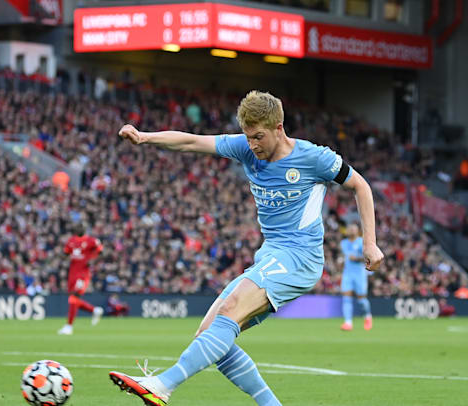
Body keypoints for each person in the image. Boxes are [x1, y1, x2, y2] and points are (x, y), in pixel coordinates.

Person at [108, 90, 384, 406]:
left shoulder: (314, 158)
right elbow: (192, 142)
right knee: (209, 333)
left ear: (279, 128)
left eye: (258, 137)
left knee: (229, 311)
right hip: (271, 255)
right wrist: (145, 137)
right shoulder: (245, 148)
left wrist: (370, 243)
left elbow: (360, 185)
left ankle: (163, 385)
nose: (252, 145)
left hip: (300, 256)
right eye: (248, 137)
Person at [57, 223, 104, 335]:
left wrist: (93, 261)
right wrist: (59, 254)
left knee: (74, 297)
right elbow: (65, 254)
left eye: (81, 227)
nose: (79, 229)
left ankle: (69, 326)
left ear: (84, 229)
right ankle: (94, 310)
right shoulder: (71, 241)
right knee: (73, 299)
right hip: (72, 273)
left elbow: (102, 253)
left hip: (83, 274)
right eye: (77, 227)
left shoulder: (91, 241)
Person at [339, 223, 373, 331]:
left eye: (353, 229)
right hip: (347, 273)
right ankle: (348, 323)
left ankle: (367, 316)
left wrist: (357, 258)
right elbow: (344, 256)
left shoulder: (362, 242)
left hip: (360, 273)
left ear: (357, 231)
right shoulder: (343, 243)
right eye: (349, 229)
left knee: (361, 300)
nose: (351, 230)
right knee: (346, 298)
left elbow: (368, 258)